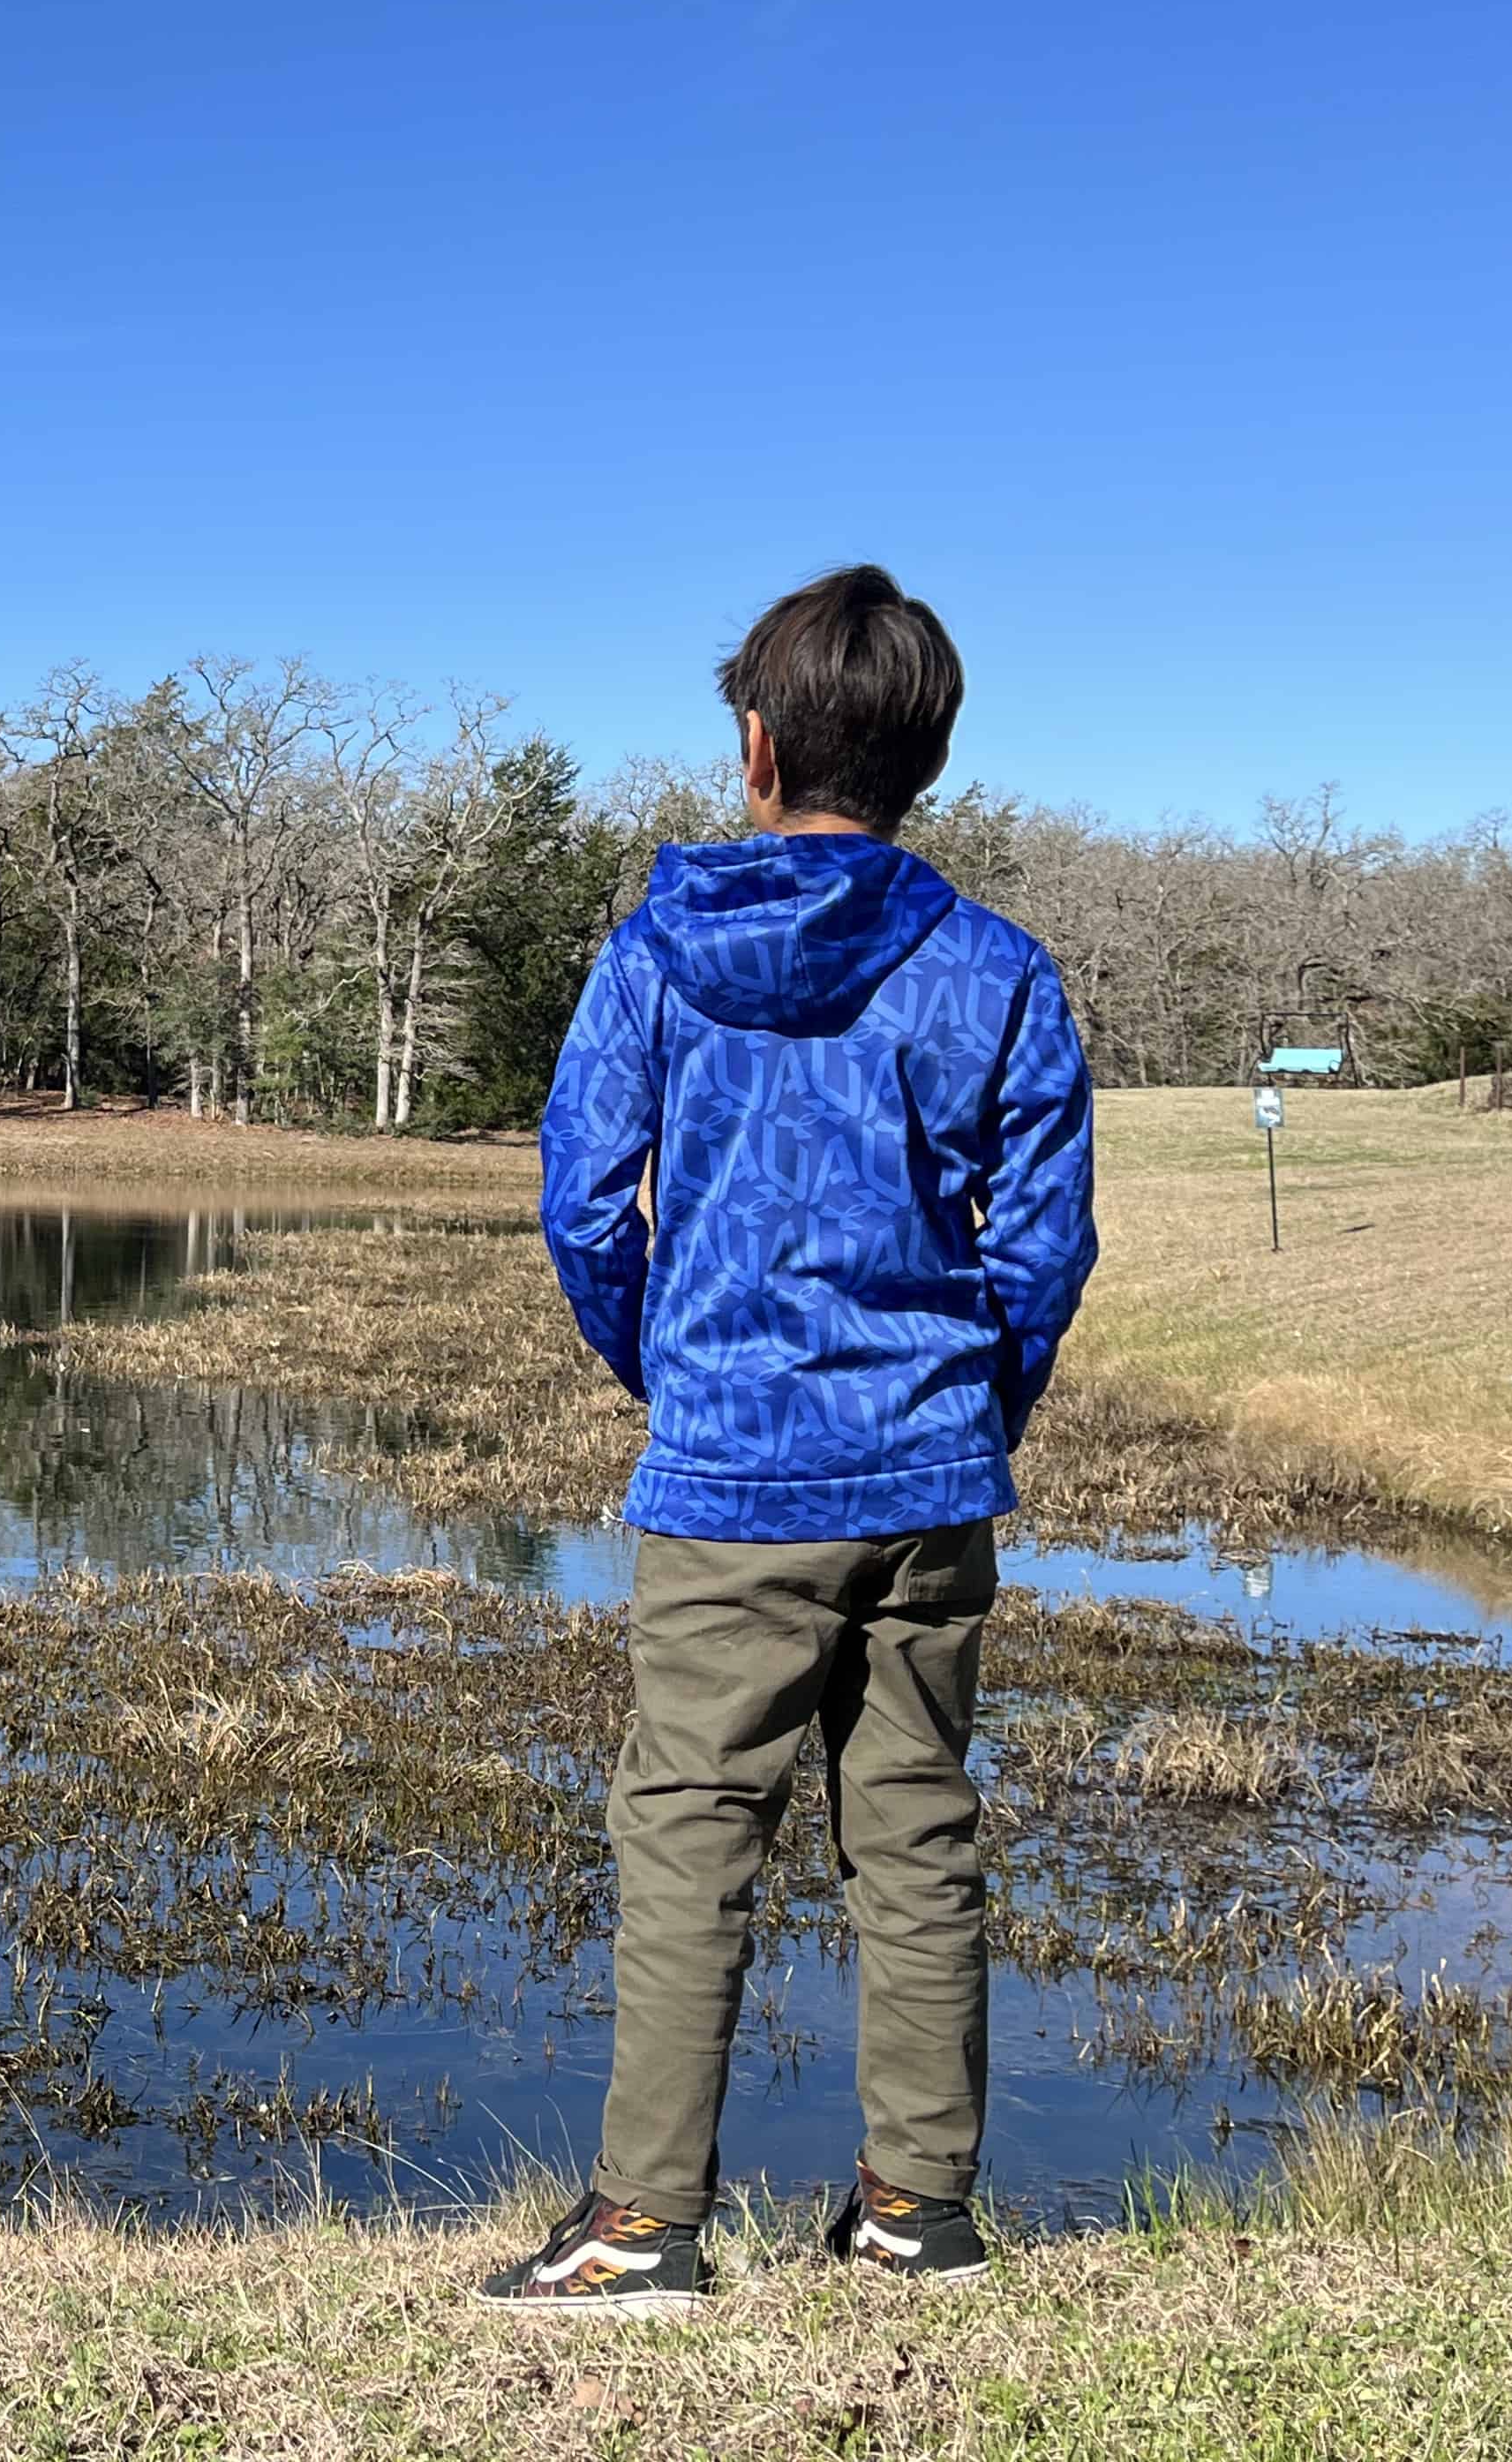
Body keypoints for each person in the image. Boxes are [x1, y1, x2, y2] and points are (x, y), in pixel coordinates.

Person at [477, 565, 1097, 2317]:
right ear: (931, 761)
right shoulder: (994, 971)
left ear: (753, 745)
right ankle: (918, 2212)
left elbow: (589, 1205)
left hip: (732, 1472)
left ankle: (645, 2229)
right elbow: (1040, 1246)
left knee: (690, 1834)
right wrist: (978, 1408)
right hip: (926, 1474)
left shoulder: (656, 957)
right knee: (915, 1831)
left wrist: (667, 1379)